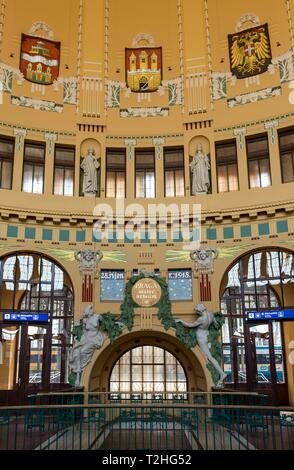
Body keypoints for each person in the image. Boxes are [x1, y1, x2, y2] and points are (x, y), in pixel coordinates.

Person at [175, 304, 226, 387]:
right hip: (207, 335)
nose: (197, 312)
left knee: (208, 357)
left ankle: (221, 373)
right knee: (207, 357)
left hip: (201, 338)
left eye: (197, 311)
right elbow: (216, 324)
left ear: (200, 310)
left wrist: (181, 320)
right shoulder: (210, 314)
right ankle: (221, 373)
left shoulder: (201, 319)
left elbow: (190, 325)